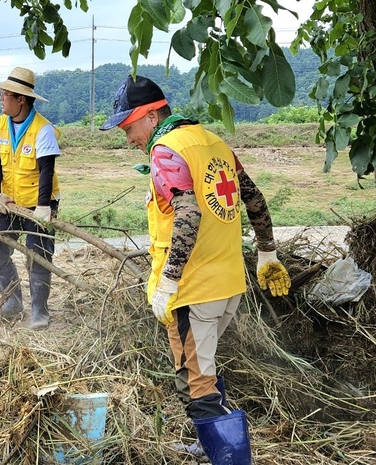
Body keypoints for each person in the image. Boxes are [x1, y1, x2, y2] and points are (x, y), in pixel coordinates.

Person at [100, 75, 291, 463]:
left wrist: (169, 281)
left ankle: (230, 457)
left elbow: (188, 211)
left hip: (194, 287)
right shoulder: (212, 142)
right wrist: (266, 253)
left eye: (128, 126)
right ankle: (210, 445)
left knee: (195, 381)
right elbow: (252, 194)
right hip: (227, 282)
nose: (128, 137)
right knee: (203, 367)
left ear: (152, 117)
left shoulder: (166, 151)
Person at [0, 67, 61, 330]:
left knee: (38, 254)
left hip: (38, 202)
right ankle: (12, 302)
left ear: (21, 99)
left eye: (5, 94)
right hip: (9, 202)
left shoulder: (43, 130)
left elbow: (47, 170)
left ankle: (40, 308)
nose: (1, 98)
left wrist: (43, 207)